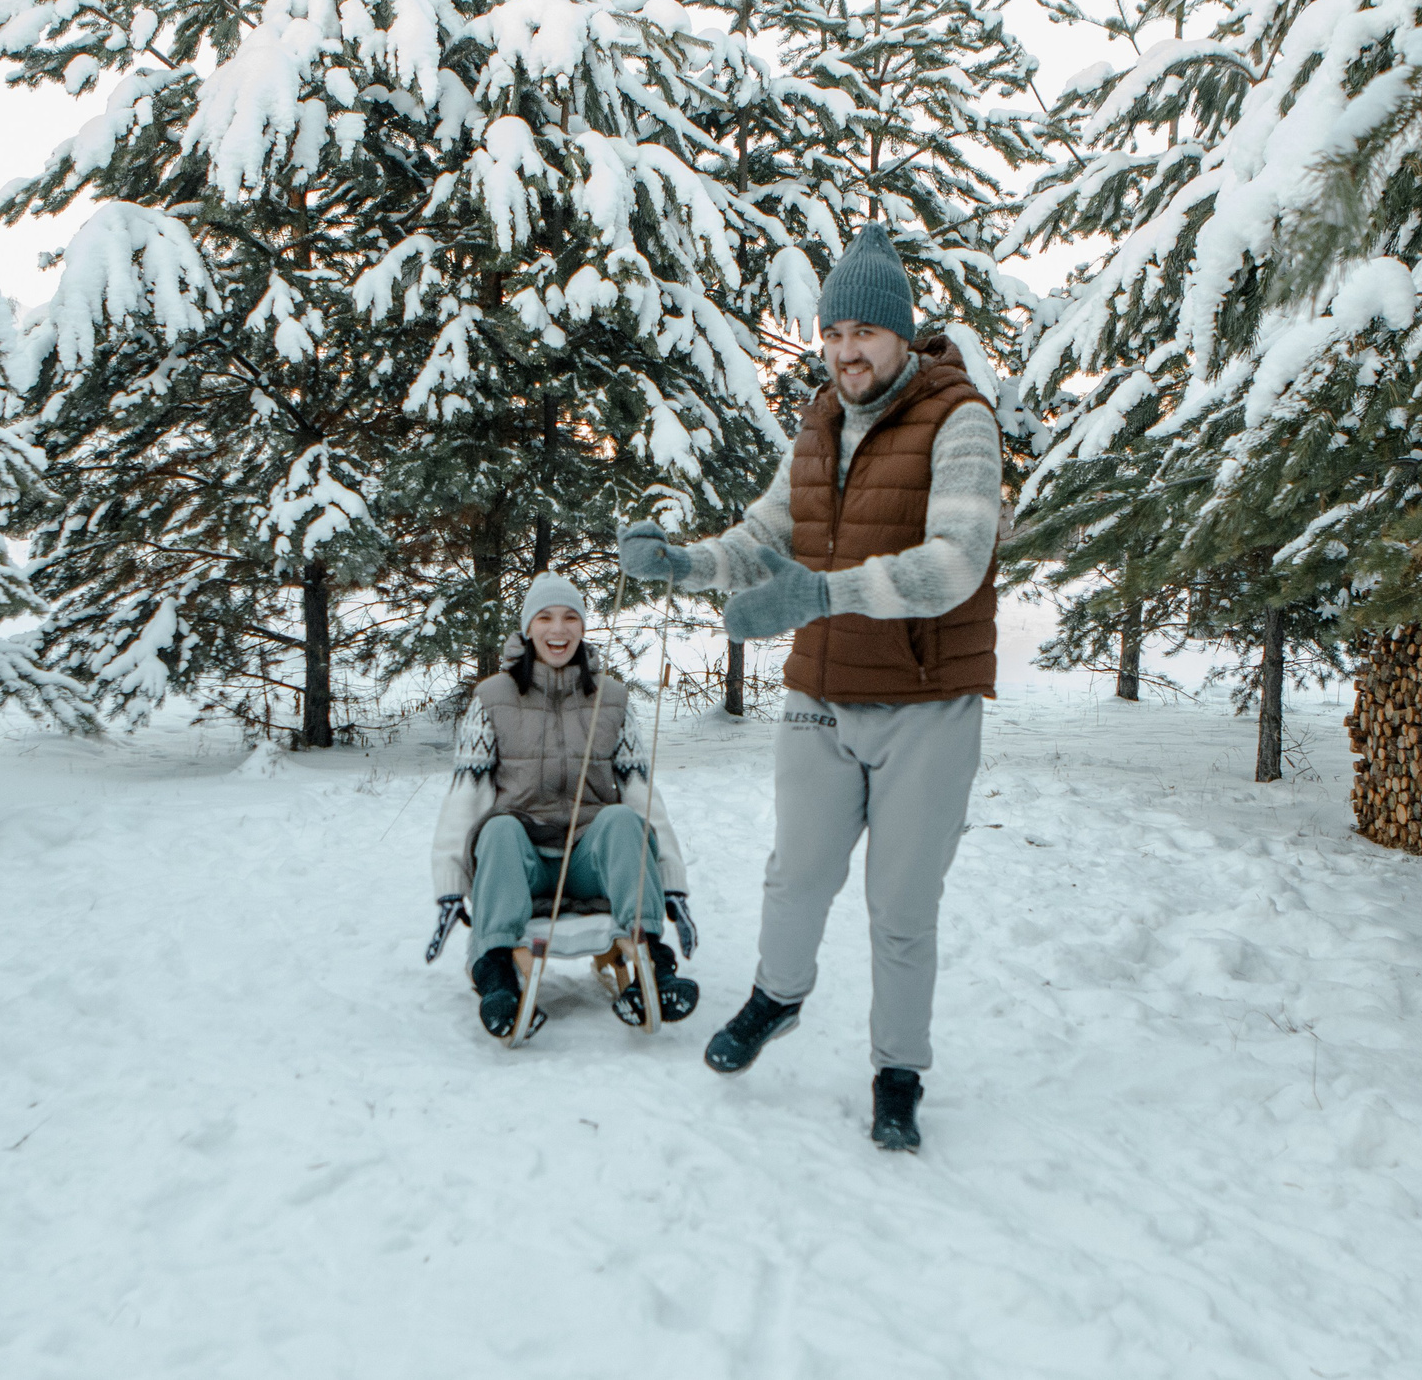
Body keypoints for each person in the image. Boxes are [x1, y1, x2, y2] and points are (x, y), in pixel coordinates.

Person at [619, 223, 1001, 1152]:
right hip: (821, 697)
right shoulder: (819, 426)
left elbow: (958, 561)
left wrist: (824, 592)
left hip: (923, 706)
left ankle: (898, 1071)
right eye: (832, 334)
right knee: (795, 876)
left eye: (863, 333)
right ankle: (775, 998)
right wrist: (683, 564)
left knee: (900, 908)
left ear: (901, 335)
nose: (844, 352)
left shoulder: (962, 422)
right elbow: (761, 541)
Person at [424, 573, 700, 1042]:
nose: (559, 629)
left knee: (620, 818)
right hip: (521, 865)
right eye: (546, 617)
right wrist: (450, 887)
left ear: (583, 627)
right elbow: (465, 794)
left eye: (571, 617)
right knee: (499, 828)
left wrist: (672, 883)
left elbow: (641, 795)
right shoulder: (493, 697)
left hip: (591, 859)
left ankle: (655, 964)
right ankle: (495, 978)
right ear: (528, 627)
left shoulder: (611, 699)